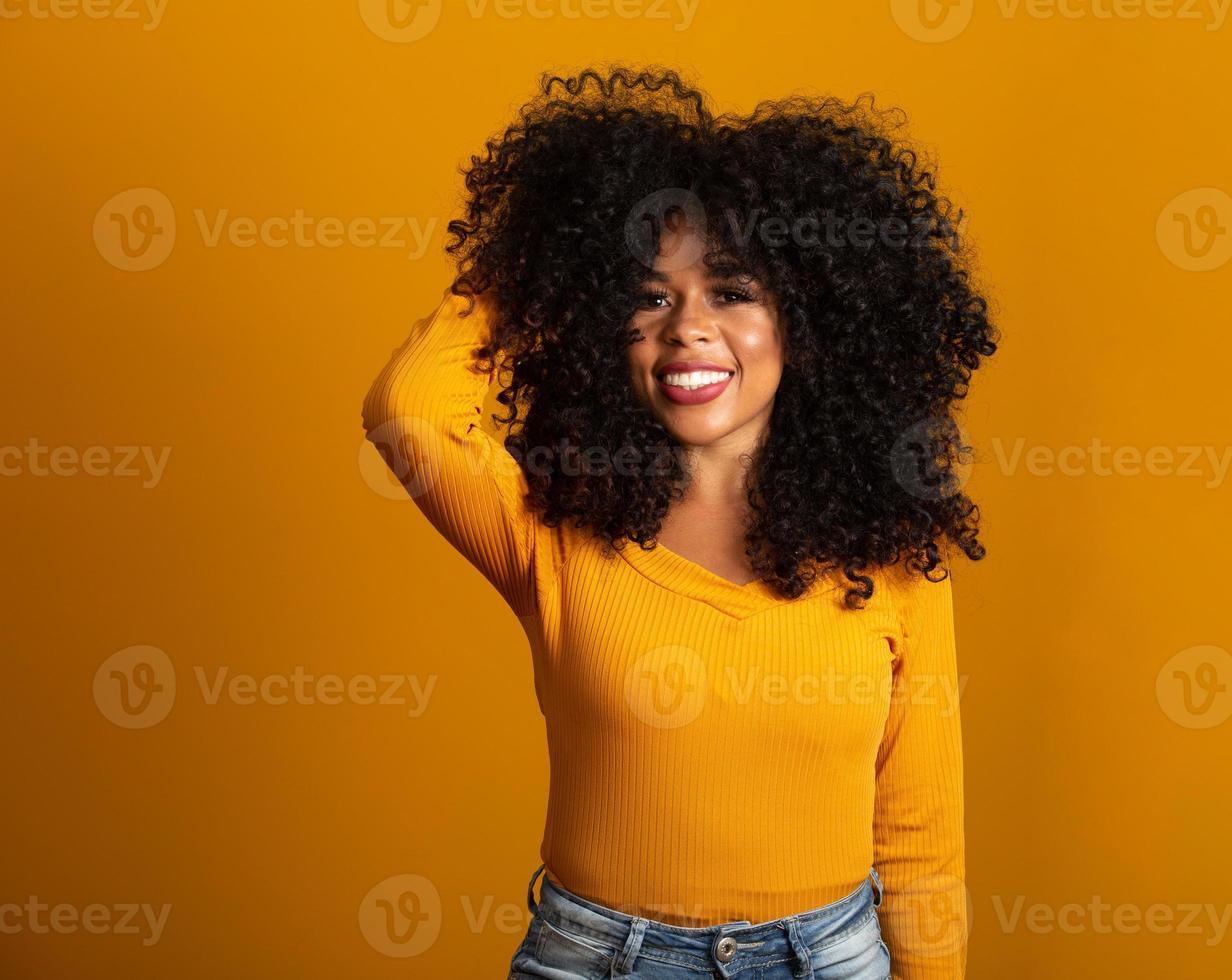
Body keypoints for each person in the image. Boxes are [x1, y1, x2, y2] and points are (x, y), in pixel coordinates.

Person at [361, 66, 997, 979]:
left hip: (829, 960)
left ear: (806, 319)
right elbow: (408, 406)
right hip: (596, 958)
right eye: (651, 297)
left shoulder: (890, 552)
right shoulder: (552, 530)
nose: (688, 329)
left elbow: (920, 832)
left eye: (732, 292)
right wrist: (548, 260)